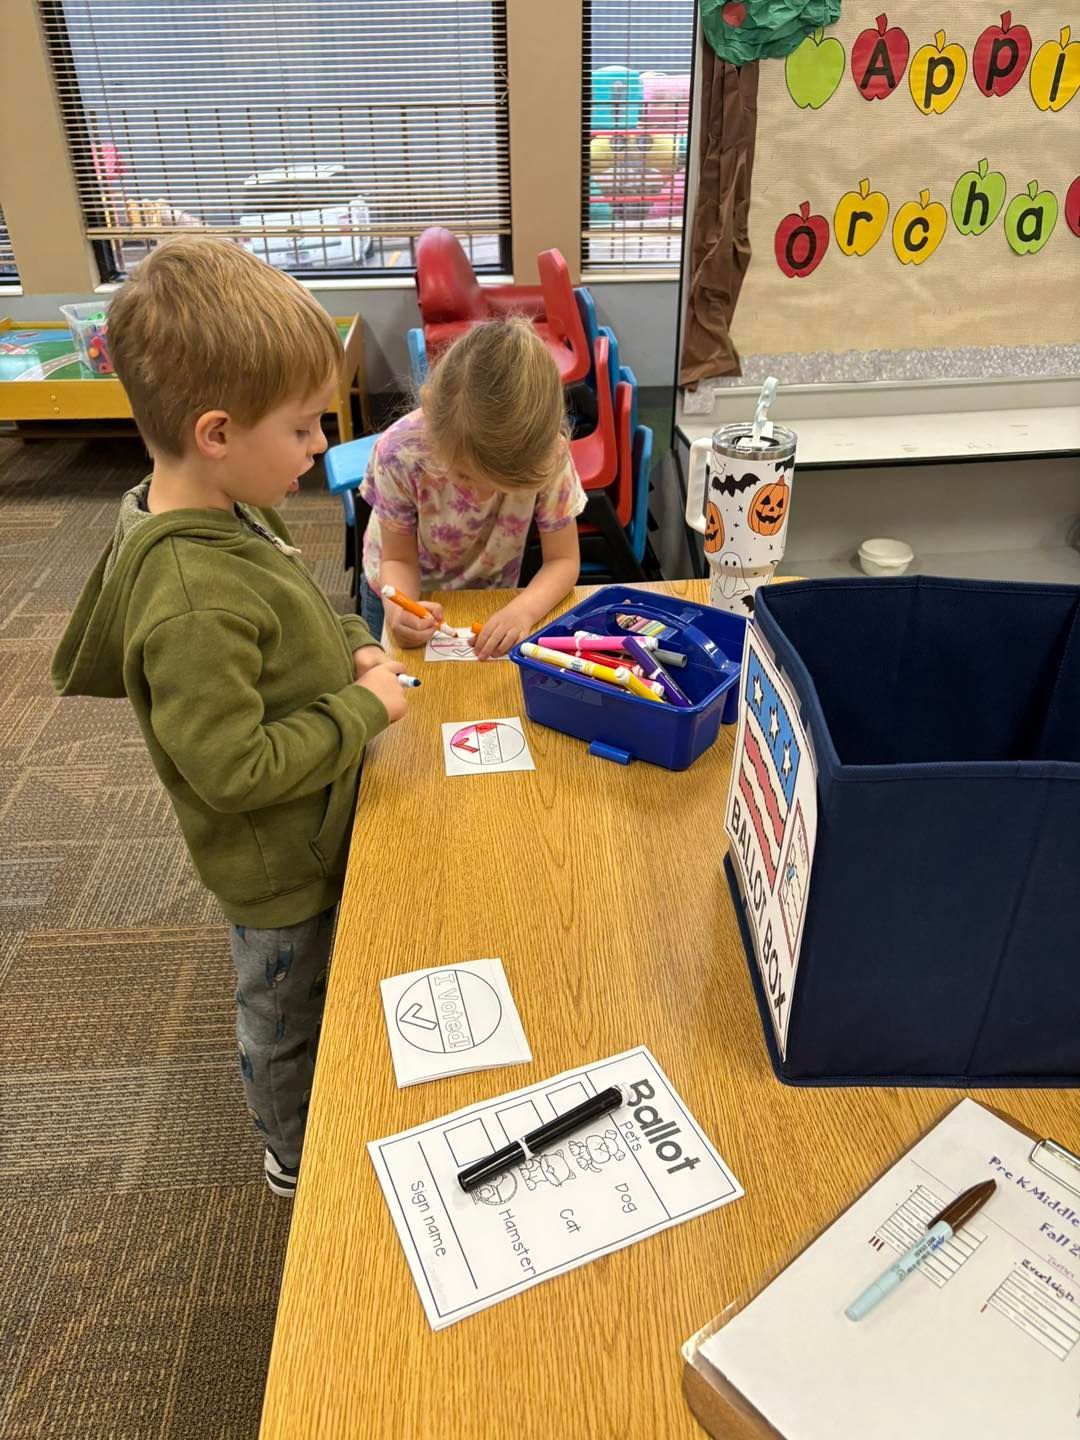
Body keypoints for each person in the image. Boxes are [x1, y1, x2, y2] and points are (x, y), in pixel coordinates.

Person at [51, 235, 410, 1197]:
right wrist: (363, 705)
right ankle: (291, 1154)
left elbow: (284, 609)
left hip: (315, 816)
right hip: (277, 869)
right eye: (301, 428)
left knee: (331, 979)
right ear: (217, 433)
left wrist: (350, 646)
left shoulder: (223, 510)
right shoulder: (190, 598)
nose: (321, 447)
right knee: (284, 1012)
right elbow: (237, 769)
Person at [360, 318, 585, 659]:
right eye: (464, 477)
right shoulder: (400, 452)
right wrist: (399, 612)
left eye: (501, 487)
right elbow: (396, 558)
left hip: (492, 594)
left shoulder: (545, 455)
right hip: (401, 590)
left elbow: (563, 560)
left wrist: (522, 611)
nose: (479, 496)